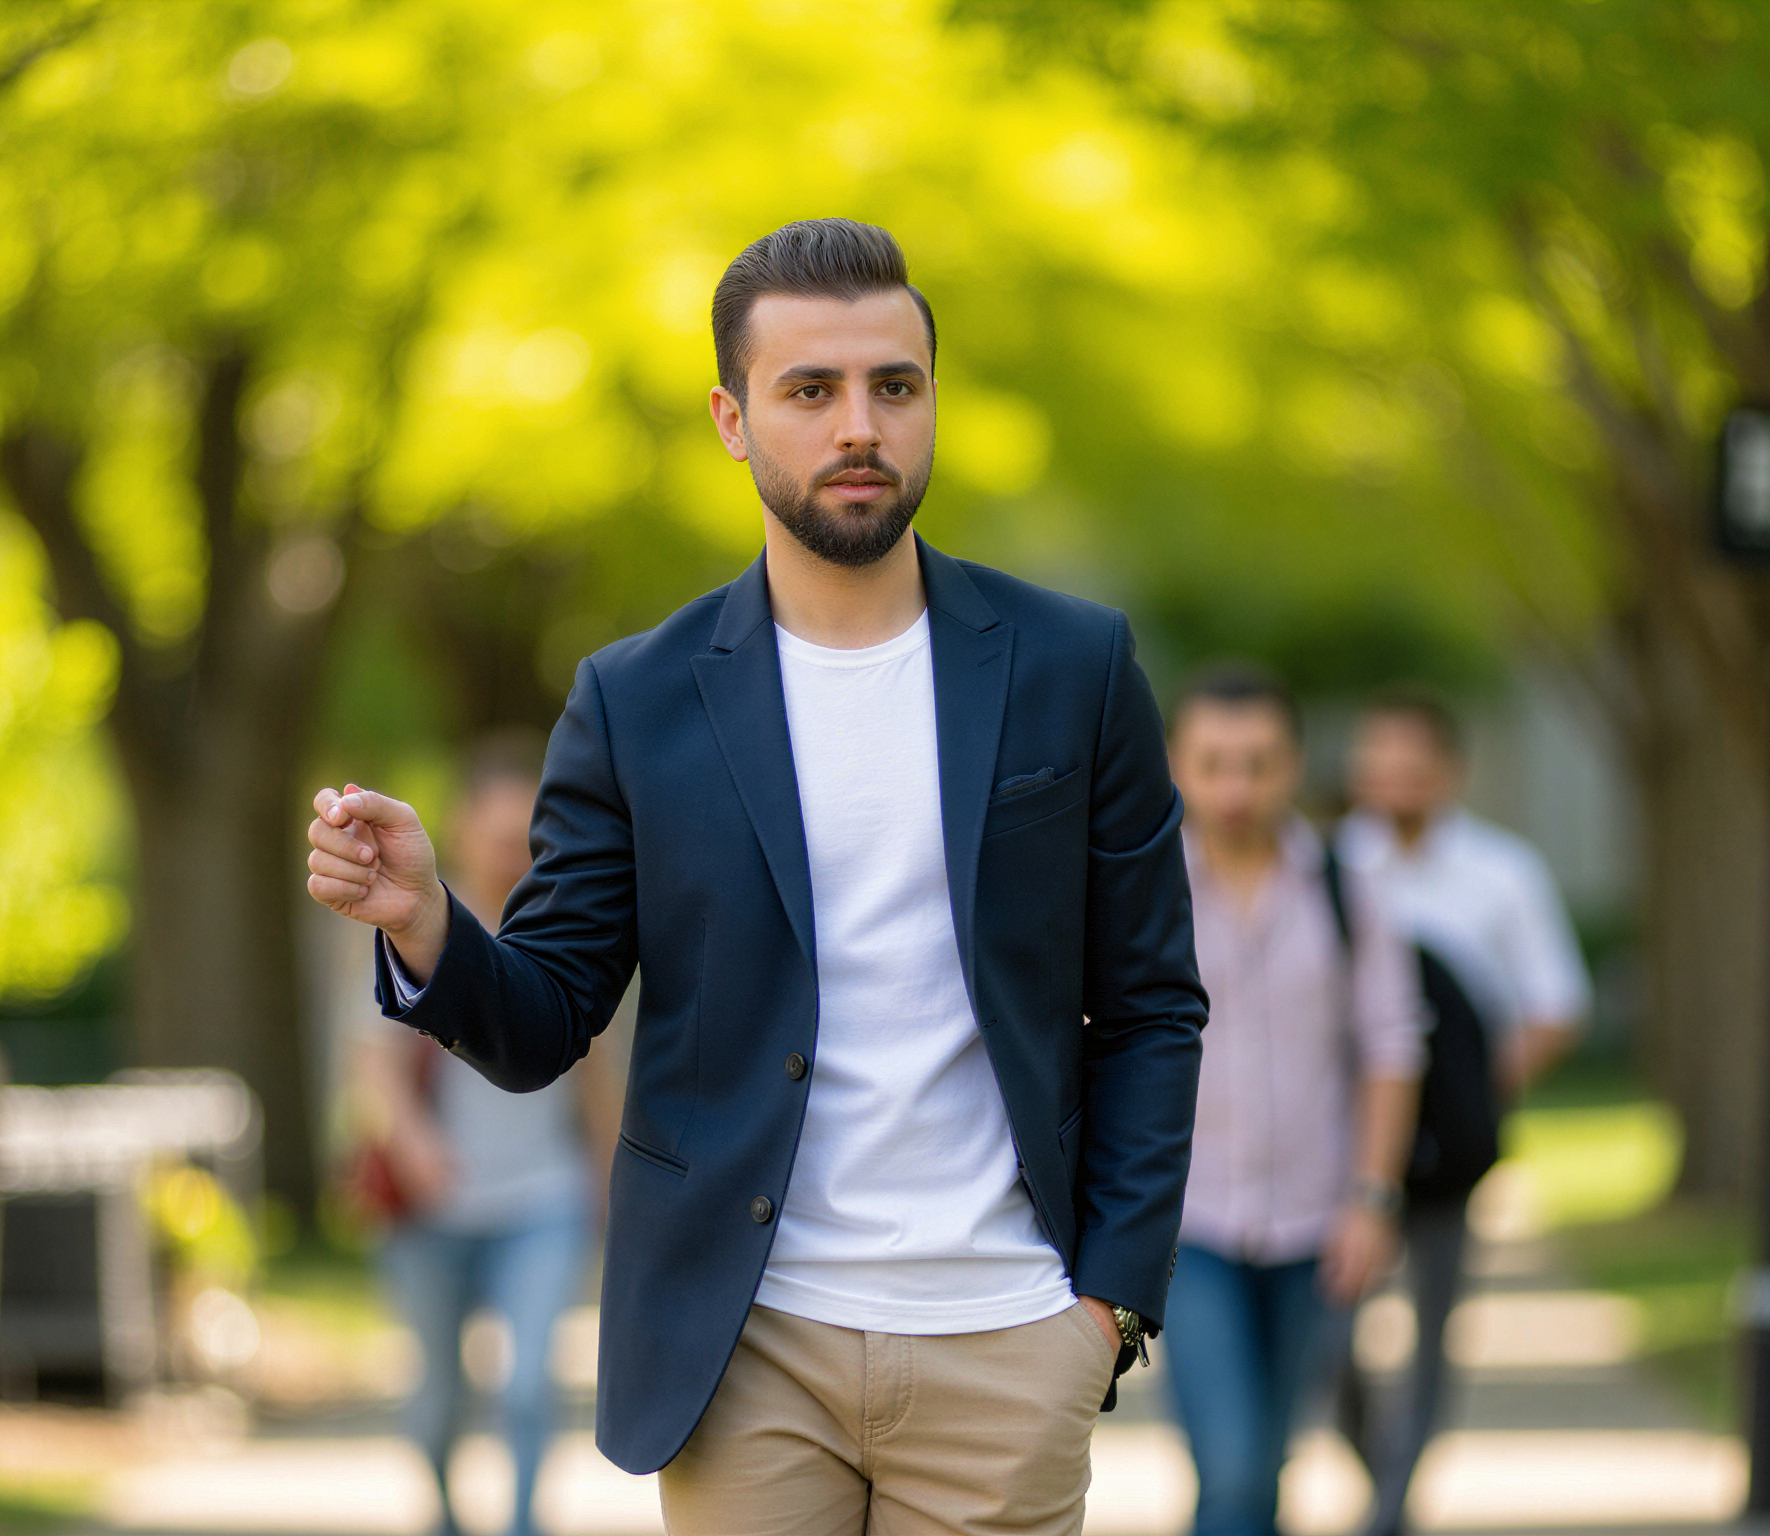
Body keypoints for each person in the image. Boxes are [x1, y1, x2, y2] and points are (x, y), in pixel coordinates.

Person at [305, 217, 1207, 1535]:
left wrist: (1105, 1306)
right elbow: (552, 1012)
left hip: (1005, 1332)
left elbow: (1150, 1005)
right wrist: (430, 921)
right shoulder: (637, 701)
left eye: (894, 386)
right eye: (811, 390)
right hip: (748, 1347)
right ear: (733, 419)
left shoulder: (1075, 669)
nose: (861, 426)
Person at [1164, 666, 1424, 1536]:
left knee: (1267, 1466)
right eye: (1214, 763)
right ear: (1177, 765)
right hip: (1185, 1225)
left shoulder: (1348, 888)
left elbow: (1392, 1045)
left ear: (1295, 766)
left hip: (1317, 1225)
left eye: (1259, 762)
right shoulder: (1142, 890)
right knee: (1231, 1466)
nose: (1236, 787)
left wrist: (1371, 1198)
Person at [1336, 691, 1592, 1536]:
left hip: (1447, 1154)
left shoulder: (1502, 873)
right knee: (1329, 1345)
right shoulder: (1329, 866)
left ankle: (1390, 1509)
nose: (1395, 787)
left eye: (1413, 770)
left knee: (1429, 1335)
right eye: (1380, 769)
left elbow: (1555, 1006)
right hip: (1343, 1150)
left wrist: (1474, 1088)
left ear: (1449, 773)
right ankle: (1383, 1474)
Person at [353, 736, 618, 1536]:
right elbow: (372, 1067)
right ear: (460, 828)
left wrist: (612, 1183)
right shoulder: (408, 921)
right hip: (436, 1205)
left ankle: (525, 1525)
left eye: (524, 834)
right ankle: (443, 1516)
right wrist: (415, 1146)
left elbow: (598, 1076)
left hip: (543, 1198)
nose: (511, 851)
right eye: (498, 834)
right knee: (437, 1401)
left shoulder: (569, 930)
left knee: (532, 1384)